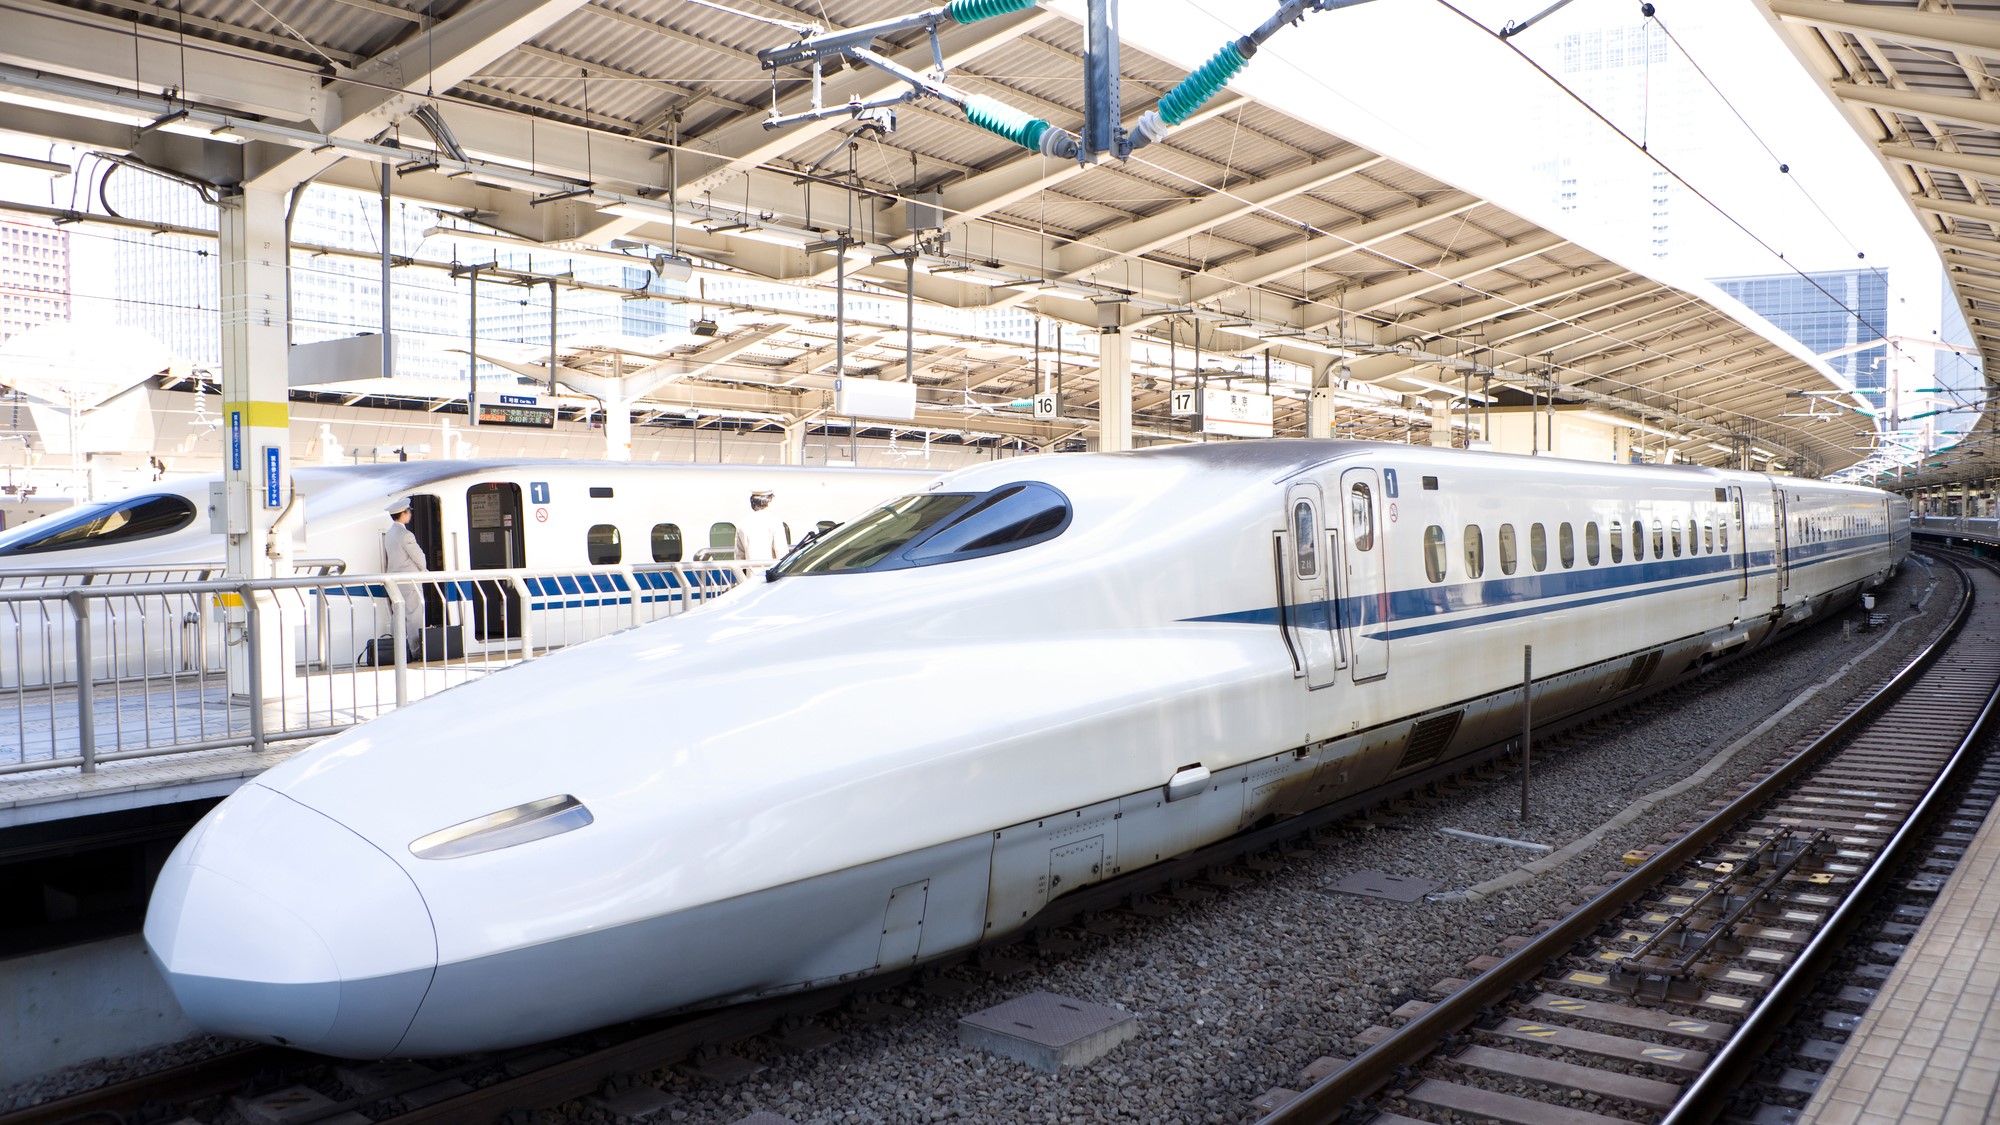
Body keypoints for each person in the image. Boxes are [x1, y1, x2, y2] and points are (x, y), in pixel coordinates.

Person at [384, 497, 428, 654]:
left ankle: (398, 649)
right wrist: (425, 571)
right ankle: (416, 650)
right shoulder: (406, 535)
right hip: (409, 581)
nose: (410, 514)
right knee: (414, 614)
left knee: (398, 615)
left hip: (394, 582)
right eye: (408, 511)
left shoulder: (389, 534)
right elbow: (419, 557)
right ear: (402, 513)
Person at [732, 490, 791, 561]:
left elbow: (739, 556)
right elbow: (781, 552)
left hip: (751, 571)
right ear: (769, 502)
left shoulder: (742, 523)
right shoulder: (775, 521)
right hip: (769, 570)